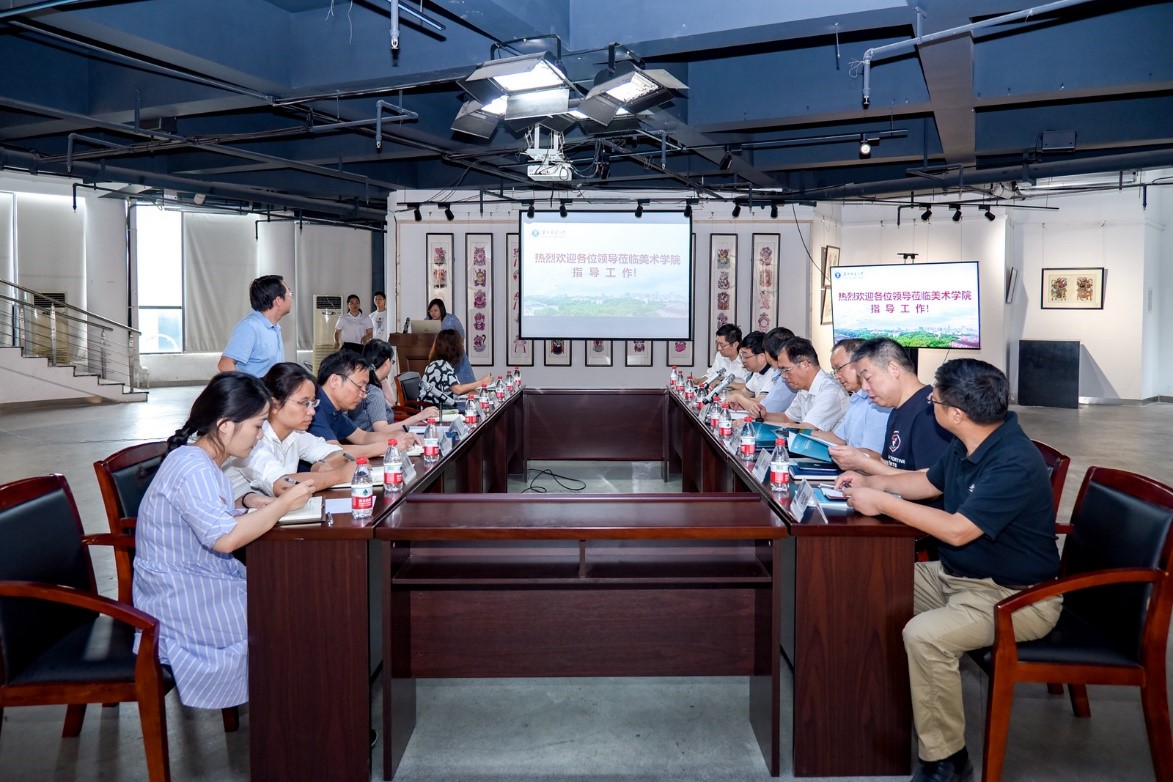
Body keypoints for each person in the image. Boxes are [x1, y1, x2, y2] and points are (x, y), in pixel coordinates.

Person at [838, 359, 1061, 782]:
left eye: (935, 401)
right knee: (866, 584)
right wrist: (872, 483)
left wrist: (884, 503)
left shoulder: (1013, 461)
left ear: (956, 414)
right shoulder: (970, 441)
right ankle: (872, 707)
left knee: (925, 636)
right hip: (958, 578)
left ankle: (947, 759)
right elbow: (928, 482)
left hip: (1015, 598)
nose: (930, 405)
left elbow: (958, 531)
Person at [132, 372, 315, 710]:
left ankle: (293, 712)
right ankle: (291, 717)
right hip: (180, 599)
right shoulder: (194, 468)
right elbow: (225, 539)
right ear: (226, 425)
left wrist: (246, 503)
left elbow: (209, 516)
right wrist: (282, 504)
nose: (259, 436)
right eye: (257, 426)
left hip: (197, 583)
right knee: (289, 613)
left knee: (293, 599)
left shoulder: (201, 460)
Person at [222, 363, 357, 498]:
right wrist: (341, 475)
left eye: (313, 403)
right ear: (274, 405)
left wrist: (323, 463)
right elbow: (284, 485)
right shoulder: (253, 438)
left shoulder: (295, 434)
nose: (312, 411)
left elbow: (338, 453)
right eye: (304, 403)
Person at [829, 337, 953, 476]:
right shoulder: (896, 410)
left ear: (893, 369)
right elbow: (887, 465)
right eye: (861, 380)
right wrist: (862, 478)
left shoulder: (931, 411)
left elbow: (929, 482)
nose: (864, 387)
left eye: (868, 378)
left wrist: (863, 463)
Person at [308, 350, 417, 455]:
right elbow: (334, 452)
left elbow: (362, 437)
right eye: (360, 386)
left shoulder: (334, 409)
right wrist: (389, 445)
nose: (364, 394)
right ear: (334, 381)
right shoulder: (313, 408)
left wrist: (399, 436)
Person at [809, 338, 891, 453]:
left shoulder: (878, 402)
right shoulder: (856, 398)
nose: (837, 376)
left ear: (859, 362)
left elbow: (872, 454)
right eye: (835, 370)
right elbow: (839, 438)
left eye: (839, 368)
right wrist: (803, 433)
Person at [762, 336, 849, 431]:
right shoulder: (803, 389)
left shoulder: (830, 392)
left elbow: (807, 429)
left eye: (786, 370)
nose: (783, 376)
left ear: (805, 365)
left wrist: (762, 423)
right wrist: (764, 415)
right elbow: (787, 418)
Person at [352, 340, 438, 434]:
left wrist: (381, 376)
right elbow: (382, 430)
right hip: (375, 440)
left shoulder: (366, 384)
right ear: (387, 362)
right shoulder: (374, 392)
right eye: (392, 362)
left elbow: (391, 403)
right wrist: (419, 417)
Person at [217, 275, 292, 377]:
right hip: (253, 387)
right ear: (278, 300)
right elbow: (225, 364)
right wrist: (246, 386)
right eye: (290, 294)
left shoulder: (274, 327)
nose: (291, 298)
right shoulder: (250, 327)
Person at [420, 328, 491, 407]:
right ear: (453, 347)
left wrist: (476, 387)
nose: (462, 346)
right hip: (436, 410)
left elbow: (451, 391)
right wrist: (481, 383)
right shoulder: (442, 365)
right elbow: (457, 390)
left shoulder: (436, 363)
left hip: (435, 407)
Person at [723, 331, 775, 416]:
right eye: (741, 357)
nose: (743, 361)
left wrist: (738, 398)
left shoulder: (772, 373)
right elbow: (744, 393)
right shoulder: (757, 373)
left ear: (761, 357)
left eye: (746, 357)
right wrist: (727, 397)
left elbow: (761, 403)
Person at [427, 298, 475, 384]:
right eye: (431, 311)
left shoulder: (451, 319)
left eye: (435, 310)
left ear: (441, 309)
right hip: (437, 353)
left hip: (453, 352)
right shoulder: (427, 321)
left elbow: (461, 335)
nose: (433, 313)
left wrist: (458, 350)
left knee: (460, 378)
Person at [693, 323, 743, 387]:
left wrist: (722, 383)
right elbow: (711, 375)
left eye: (722, 345)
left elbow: (750, 387)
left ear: (735, 344)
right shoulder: (720, 355)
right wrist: (698, 381)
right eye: (717, 344)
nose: (719, 348)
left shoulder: (747, 360)